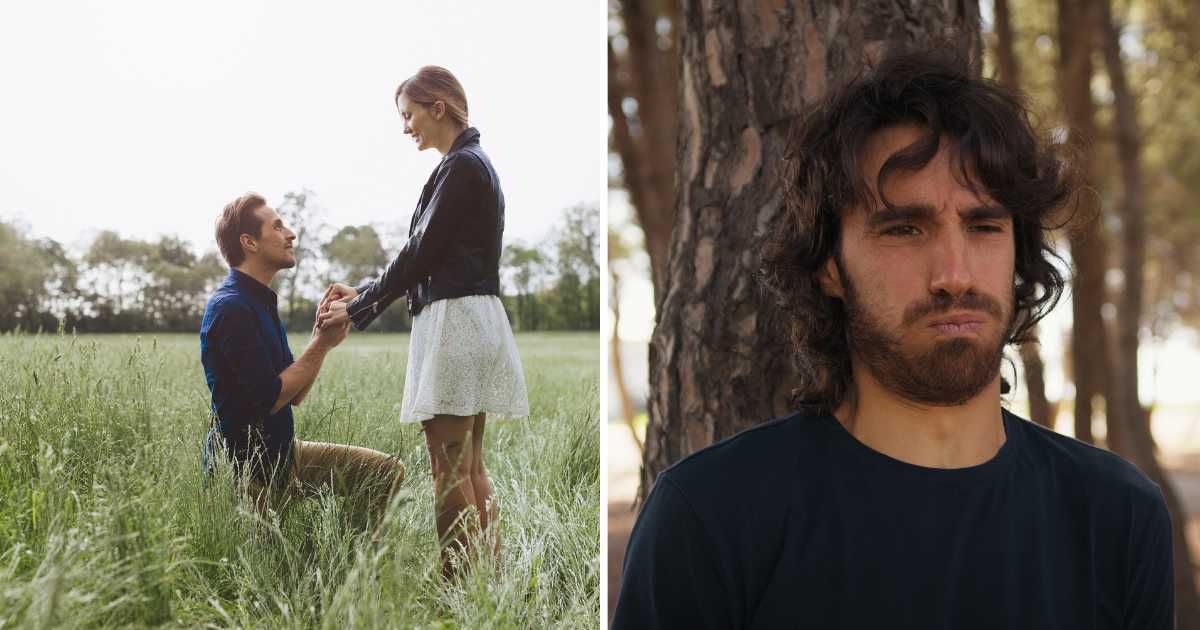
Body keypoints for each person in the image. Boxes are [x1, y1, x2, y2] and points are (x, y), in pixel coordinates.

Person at [612, 49, 1173, 629]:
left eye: (984, 227)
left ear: (1018, 253)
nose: (954, 275)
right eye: (905, 229)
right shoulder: (710, 519)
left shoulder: (1117, 517)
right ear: (830, 265)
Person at [317, 66, 529, 577]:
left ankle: (459, 586)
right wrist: (366, 292)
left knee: (449, 469)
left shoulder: (462, 168)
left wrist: (360, 306)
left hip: (456, 323)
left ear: (438, 108)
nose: (406, 127)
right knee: (469, 466)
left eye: (409, 115)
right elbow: (429, 257)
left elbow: (419, 254)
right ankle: (489, 582)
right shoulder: (472, 164)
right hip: (473, 318)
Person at [201, 192, 405, 525]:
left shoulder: (259, 301)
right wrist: (321, 345)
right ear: (249, 242)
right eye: (278, 226)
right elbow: (271, 397)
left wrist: (319, 340)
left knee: (384, 472)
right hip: (246, 476)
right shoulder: (232, 308)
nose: (290, 234)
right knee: (276, 571)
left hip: (283, 457)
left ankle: (353, 563)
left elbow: (295, 395)